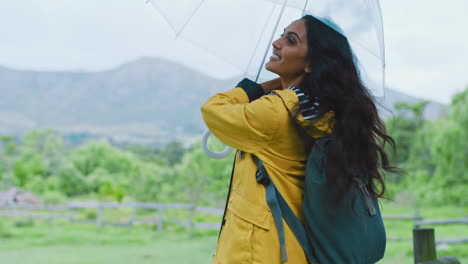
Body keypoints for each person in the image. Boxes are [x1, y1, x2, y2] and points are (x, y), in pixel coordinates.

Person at [201, 14, 398, 264]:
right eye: (282, 34)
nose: (276, 43)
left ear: (311, 64)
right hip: (291, 247)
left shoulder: (277, 111)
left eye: (291, 40)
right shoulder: (322, 109)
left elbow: (213, 110)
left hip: (258, 251)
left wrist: (255, 89)